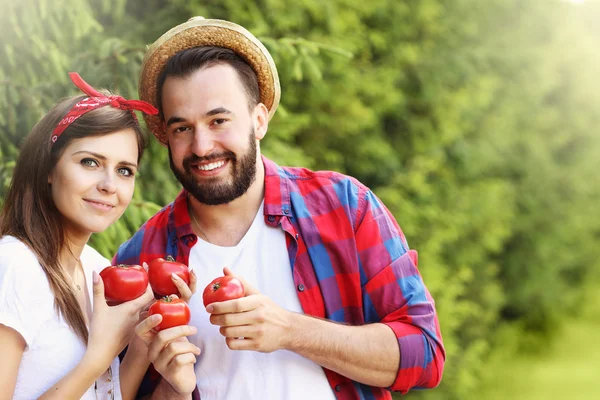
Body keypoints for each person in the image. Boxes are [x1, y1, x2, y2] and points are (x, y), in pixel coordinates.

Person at [116, 17, 445, 400]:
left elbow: (424, 355)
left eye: (219, 120)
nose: (202, 146)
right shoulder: (142, 257)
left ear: (259, 120)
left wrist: (290, 330)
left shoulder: (343, 206)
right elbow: (118, 389)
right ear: (166, 137)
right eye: (182, 128)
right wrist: (172, 386)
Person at [0, 72, 166, 400]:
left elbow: (102, 394)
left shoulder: (96, 269)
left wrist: (141, 348)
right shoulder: (15, 265)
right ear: (48, 168)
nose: (109, 185)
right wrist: (98, 357)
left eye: (124, 170)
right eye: (90, 162)